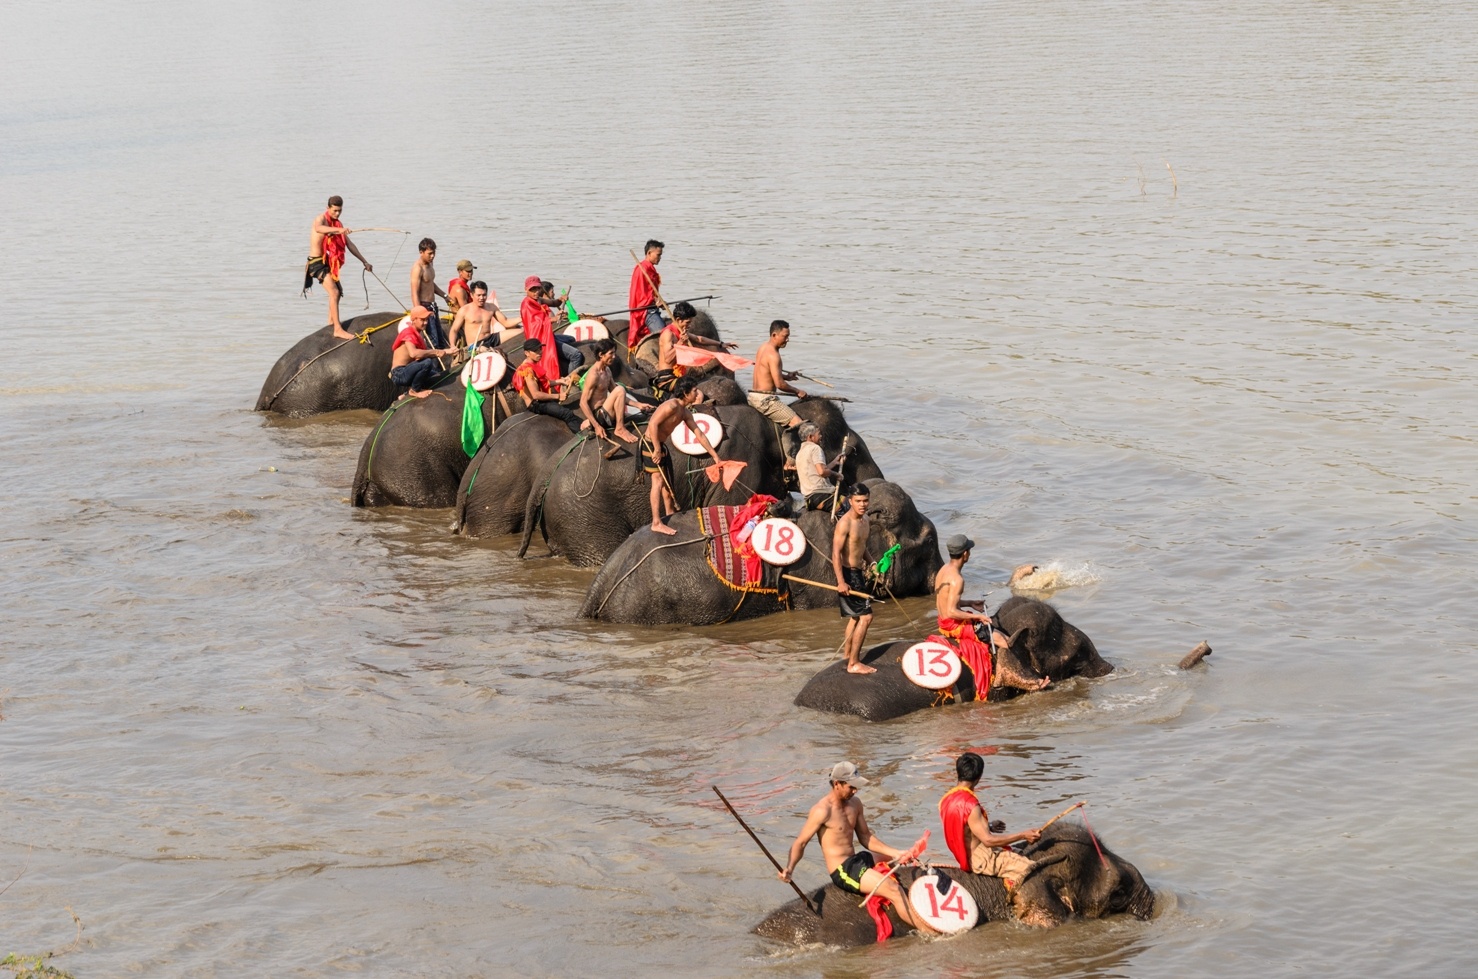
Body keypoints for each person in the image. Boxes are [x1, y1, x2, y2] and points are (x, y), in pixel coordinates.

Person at [778, 762, 940, 936]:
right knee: (894, 889)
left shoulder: (855, 804)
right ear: (837, 784)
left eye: (856, 786)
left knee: (900, 860)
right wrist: (790, 868)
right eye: (851, 786)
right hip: (843, 869)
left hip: (857, 859)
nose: (855, 791)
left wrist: (896, 853)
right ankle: (930, 934)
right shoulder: (822, 811)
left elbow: (865, 837)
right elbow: (800, 843)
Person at [935, 535, 1047, 694]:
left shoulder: (943, 570)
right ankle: (1014, 677)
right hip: (954, 625)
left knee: (991, 630)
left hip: (943, 622)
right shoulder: (957, 579)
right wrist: (977, 617)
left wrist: (970, 603)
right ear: (965, 554)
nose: (969, 554)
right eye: (969, 551)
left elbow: (946, 602)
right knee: (1005, 641)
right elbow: (951, 611)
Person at [939, 752, 1041, 900]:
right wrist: (1023, 835)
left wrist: (988, 826)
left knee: (1019, 852)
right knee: (1035, 870)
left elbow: (961, 827)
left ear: (958, 772)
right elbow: (988, 841)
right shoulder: (971, 805)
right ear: (979, 777)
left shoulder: (947, 799)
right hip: (981, 858)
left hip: (965, 854)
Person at [642, 377, 721, 535]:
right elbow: (652, 424)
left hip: (660, 445)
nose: (697, 394)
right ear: (685, 393)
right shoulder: (671, 405)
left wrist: (715, 456)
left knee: (667, 484)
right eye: (694, 391)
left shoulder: (685, 412)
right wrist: (656, 449)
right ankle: (656, 522)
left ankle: (670, 514)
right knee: (658, 481)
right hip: (651, 444)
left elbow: (699, 434)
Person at [304, 195, 373, 340]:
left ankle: (331, 321)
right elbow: (319, 228)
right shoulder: (321, 219)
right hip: (316, 262)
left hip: (328, 263)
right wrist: (339, 230)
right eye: (334, 210)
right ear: (328, 208)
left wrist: (364, 262)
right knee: (334, 292)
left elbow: (350, 245)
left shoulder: (337, 224)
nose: (337, 213)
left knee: (338, 292)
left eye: (340, 211)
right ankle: (337, 329)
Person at [832, 483, 876, 674]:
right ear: (850, 501)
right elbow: (835, 553)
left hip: (858, 573)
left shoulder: (865, 519)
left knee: (856, 617)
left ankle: (847, 655)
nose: (862, 504)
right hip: (848, 573)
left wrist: (872, 562)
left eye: (865, 500)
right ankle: (854, 663)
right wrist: (841, 581)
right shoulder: (845, 523)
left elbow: (861, 545)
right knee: (866, 617)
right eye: (858, 501)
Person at [750, 320, 808, 463]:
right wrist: (797, 391)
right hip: (766, 400)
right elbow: (780, 385)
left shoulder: (763, 347)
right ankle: (791, 461)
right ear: (774, 335)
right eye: (785, 336)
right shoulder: (774, 355)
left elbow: (767, 372)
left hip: (753, 396)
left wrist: (787, 376)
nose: (787, 340)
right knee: (799, 424)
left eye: (788, 336)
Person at [511, 339, 581, 433]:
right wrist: (558, 396)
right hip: (537, 405)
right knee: (567, 414)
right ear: (527, 353)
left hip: (541, 401)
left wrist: (560, 381)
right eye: (536, 351)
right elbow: (536, 395)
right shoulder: (527, 370)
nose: (540, 352)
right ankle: (583, 436)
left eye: (540, 349)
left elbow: (543, 383)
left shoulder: (531, 364)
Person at [579, 339, 640, 444]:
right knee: (620, 389)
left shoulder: (607, 370)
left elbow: (615, 393)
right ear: (601, 355)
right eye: (611, 353)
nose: (614, 357)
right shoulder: (593, 375)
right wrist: (596, 426)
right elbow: (582, 403)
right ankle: (620, 428)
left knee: (619, 390)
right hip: (600, 415)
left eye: (614, 353)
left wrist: (639, 405)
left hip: (607, 411)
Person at [389, 306, 456, 398]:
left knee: (435, 375)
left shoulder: (417, 334)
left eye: (427, 319)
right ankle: (414, 391)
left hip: (409, 370)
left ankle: (406, 394)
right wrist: (436, 352)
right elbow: (414, 353)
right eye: (422, 320)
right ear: (414, 320)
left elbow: (425, 351)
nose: (426, 322)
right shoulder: (408, 333)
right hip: (399, 373)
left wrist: (447, 351)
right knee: (426, 363)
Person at [447, 281, 516, 351]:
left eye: (484, 295)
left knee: (520, 332)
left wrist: (521, 318)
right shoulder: (464, 310)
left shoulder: (491, 307)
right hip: (475, 344)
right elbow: (454, 330)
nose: (482, 298)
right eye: (479, 295)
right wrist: (452, 345)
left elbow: (506, 322)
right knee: (484, 349)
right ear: (471, 295)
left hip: (491, 339)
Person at [795, 422, 845, 512]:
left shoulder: (800, 453)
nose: (821, 436)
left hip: (810, 499)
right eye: (819, 434)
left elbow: (817, 471)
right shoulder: (815, 448)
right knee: (851, 508)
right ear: (810, 437)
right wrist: (836, 474)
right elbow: (822, 472)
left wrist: (834, 462)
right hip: (822, 495)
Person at [410, 238, 450, 348]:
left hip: (433, 306)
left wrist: (445, 296)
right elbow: (414, 293)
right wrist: (419, 314)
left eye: (434, 253)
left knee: (441, 341)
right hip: (424, 307)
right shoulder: (417, 268)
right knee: (432, 342)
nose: (432, 256)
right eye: (430, 254)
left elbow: (430, 283)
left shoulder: (430, 264)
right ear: (421, 252)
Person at [627, 238, 665, 352]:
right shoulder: (642, 269)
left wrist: (660, 301)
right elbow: (641, 294)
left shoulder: (650, 269)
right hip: (646, 311)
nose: (660, 258)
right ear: (649, 253)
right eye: (658, 255)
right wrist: (655, 302)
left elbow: (651, 292)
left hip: (652, 307)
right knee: (665, 336)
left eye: (661, 255)